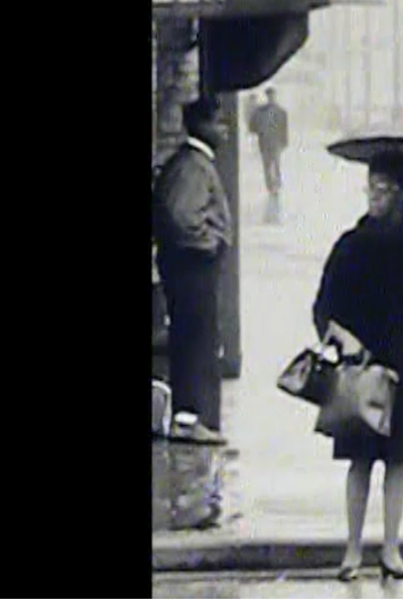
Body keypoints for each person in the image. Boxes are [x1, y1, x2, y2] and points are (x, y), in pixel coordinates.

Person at [312, 151, 403, 582]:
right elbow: (323, 308)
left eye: (383, 188)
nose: (374, 196)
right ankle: (352, 550)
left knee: (397, 462)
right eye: (371, 186)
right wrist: (344, 340)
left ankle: (391, 550)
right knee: (360, 461)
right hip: (362, 365)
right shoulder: (351, 244)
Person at [152, 95, 232, 445]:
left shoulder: (190, 163)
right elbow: (183, 216)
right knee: (196, 343)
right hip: (193, 269)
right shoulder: (194, 166)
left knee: (194, 340)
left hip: (188, 268)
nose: (225, 129)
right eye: (219, 122)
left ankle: (190, 418)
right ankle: (191, 418)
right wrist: (210, 241)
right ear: (202, 125)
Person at [249, 87, 288, 223]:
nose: (271, 98)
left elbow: (284, 128)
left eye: (272, 95)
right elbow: (252, 127)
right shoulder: (261, 112)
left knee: (275, 164)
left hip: (275, 143)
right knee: (267, 166)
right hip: (265, 143)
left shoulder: (281, 112)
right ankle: (270, 186)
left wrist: (284, 141)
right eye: (269, 95)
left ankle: (276, 186)